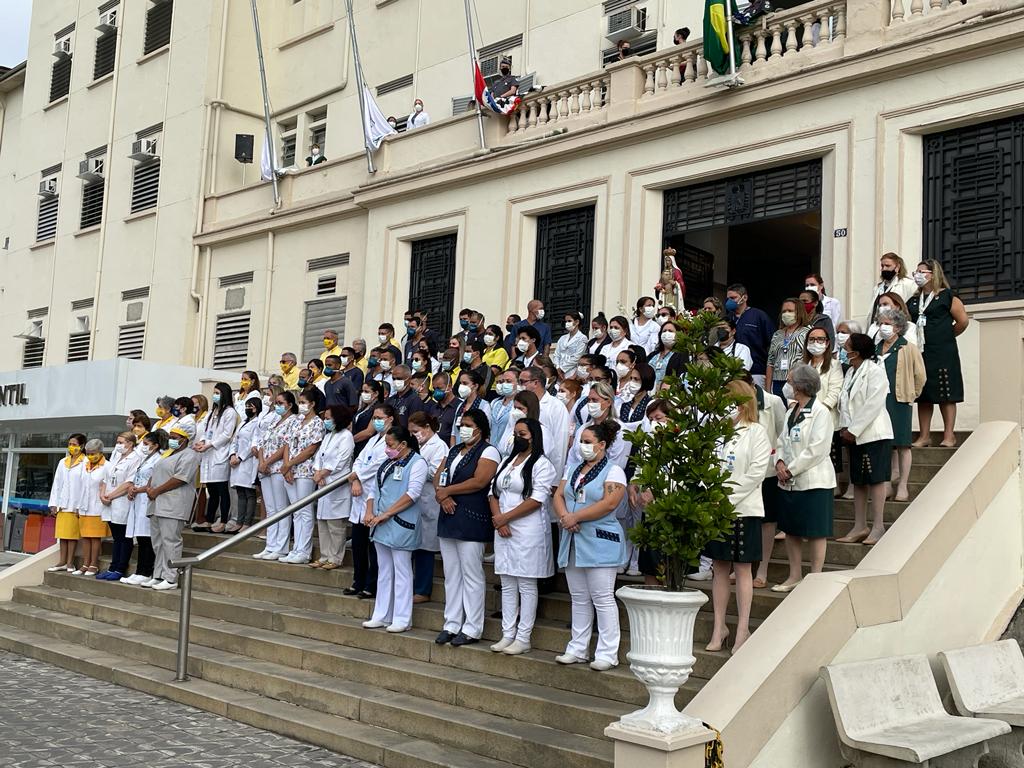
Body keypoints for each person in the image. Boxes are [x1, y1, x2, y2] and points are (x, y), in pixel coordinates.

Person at [553, 420, 627, 670]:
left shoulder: (614, 471)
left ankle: (607, 653)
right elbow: (559, 495)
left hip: (600, 540)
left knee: (602, 597)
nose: (582, 446)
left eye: (588, 442)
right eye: (581, 442)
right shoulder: (573, 468)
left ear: (602, 444)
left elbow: (609, 503)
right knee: (579, 598)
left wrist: (576, 517)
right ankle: (577, 648)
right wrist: (566, 516)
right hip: (573, 539)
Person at [705, 381, 771, 653]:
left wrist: (727, 498)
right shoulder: (717, 432)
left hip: (744, 509)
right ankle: (719, 626)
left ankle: (743, 628)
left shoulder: (756, 432)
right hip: (717, 509)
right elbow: (707, 467)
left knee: (743, 568)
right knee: (719, 567)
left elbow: (756, 473)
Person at [489, 417, 556, 655]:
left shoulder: (542, 464)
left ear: (534, 437)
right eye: (516, 433)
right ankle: (507, 634)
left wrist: (506, 518)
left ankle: (523, 637)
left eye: (523, 434)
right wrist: (499, 519)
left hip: (528, 530)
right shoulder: (507, 461)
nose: (518, 438)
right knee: (507, 583)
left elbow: (537, 499)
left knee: (526, 585)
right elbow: (493, 492)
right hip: (503, 529)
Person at [433, 409, 500, 646]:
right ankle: (451, 623)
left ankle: (472, 627)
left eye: (469, 425)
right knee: (452, 574)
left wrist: (448, 491)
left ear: (480, 428)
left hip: (471, 517)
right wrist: (442, 495)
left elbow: (479, 481)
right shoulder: (454, 450)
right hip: (449, 515)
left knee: (471, 574)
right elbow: (439, 476)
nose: (464, 429)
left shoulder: (488, 451)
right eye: (462, 424)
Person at [772, 364, 836, 592]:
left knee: (816, 531)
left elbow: (817, 449)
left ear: (799, 387)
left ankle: (815, 577)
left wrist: (791, 469)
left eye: (790, 381)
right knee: (791, 529)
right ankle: (794, 575)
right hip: (789, 482)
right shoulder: (791, 411)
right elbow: (781, 441)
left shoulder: (821, 412)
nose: (787, 385)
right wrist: (779, 462)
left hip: (814, 481)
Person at [362, 426, 428, 634]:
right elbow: (374, 490)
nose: (387, 449)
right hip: (380, 522)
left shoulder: (417, 463)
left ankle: (402, 618)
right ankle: (381, 614)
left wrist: (387, 513)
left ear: (403, 444)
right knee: (384, 570)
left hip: (400, 522)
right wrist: (370, 511)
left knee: (402, 571)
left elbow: (413, 494)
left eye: (390, 445)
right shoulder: (387, 462)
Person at [835, 333, 894, 545]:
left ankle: (878, 526)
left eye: (847, 347)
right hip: (853, 436)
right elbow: (845, 403)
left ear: (857, 352)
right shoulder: (851, 372)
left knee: (876, 480)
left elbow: (873, 404)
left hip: (874, 434)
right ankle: (860, 525)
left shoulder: (875, 371)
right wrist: (845, 428)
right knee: (858, 481)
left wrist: (854, 429)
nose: (844, 350)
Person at [907, 259, 969, 448]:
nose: (917, 275)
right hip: (921, 351)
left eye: (922, 271)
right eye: (916, 272)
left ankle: (949, 435)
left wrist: (946, 335)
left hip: (943, 351)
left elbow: (963, 322)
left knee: (946, 392)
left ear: (933, 274)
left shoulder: (947, 296)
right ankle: (924, 436)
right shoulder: (914, 300)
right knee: (923, 394)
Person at [874, 309, 926, 503]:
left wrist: (912, 394)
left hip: (900, 400)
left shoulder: (908, 347)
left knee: (903, 444)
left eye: (887, 323)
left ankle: (903, 484)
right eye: (881, 323)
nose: (883, 327)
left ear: (897, 327)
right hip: (878, 401)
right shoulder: (875, 348)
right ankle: (887, 483)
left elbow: (920, 375)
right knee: (884, 443)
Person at [346, 403, 396, 598]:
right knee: (358, 543)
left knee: (374, 546)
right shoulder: (373, 439)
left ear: (390, 419)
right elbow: (359, 460)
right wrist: (355, 478)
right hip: (359, 492)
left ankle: (371, 584)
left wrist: (357, 476)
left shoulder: (391, 441)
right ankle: (358, 581)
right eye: (374, 418)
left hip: (375, 495)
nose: (376, 421)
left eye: (379, 418)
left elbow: (377, 465)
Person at [144, 423, 201, 590]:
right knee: (158, 542)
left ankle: (171, 578)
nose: (171, 440)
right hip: (156, 503)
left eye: (175, 438)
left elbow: (180, 479)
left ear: (184, 439)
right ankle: (158, 575)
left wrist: (157, 491)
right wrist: (150, 488)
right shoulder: (168, 453)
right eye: (170, 437)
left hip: (173, 504)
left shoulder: (190, 455)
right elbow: (156, 472)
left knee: (170, 541)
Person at [279, 388, 326, 564]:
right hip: (290, 469)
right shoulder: (297, 420)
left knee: (305, 511)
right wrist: (287, 466)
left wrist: (290, 464)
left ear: (312, 404)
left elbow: (311, 449)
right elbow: (287, 444)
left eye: (304, 402)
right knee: (295, 511)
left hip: (305, 470)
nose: (301, 405)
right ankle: (296, 548)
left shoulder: (318, 423)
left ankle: (304, 551)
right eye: (299, 402)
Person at [253, 391, 301, 561]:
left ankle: (281, 547)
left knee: (281, 508)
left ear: (290, 405)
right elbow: (263, 442)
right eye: (276, 403)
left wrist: (268, 462)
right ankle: (270, 545)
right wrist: (261, 462)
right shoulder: (274, 420)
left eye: (281, 403)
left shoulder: (294, 421)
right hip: (265, 469)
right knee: (271, 509)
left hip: (278, 468)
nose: (277, 406)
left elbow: (286, 446)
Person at [750, 378, 788, 590]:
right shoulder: (732, 404)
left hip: (768, 471)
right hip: (743, 472)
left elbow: (783, 434)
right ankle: (743, 566)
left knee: (767, 521)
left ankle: (762, 570)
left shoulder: (773, 402)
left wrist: (780, 460)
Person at [409, 411, 447, 603]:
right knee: (413, 546)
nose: (413, 435)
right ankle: (411, 587)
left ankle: (423, 590)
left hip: (429, 500)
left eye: (416, 431)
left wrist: (414, 469)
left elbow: (435, 472)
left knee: (425, 548)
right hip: (414, 502)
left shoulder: (439, 446)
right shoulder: (418, 446)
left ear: (427, 427)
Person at [311, 405, 355, 570]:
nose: (326, 421)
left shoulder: (346, 436)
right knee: (323, 524)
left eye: (329, 418)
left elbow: (340, 461)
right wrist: (318, 472)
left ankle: (335, 558)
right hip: (323, 483)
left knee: (335, 526)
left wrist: (323, 473)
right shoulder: (329, 436)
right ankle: (324, 556)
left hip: (336, 483)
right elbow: (319, 457)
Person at [121, 430, 164, 585]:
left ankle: (146, 571)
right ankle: (139, 571)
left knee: (147, 538)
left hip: (147, 499)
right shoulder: (146, 459)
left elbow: (154, 482)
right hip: (138, 500)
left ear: (156, 445)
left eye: (146, 444)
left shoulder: (159, 459)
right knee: (140, 537)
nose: (143, 446)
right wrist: (132, 489)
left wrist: (138, 489)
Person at [97, 432, 142, 580]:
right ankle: (112, 567)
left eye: (121, 442)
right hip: (109, 502)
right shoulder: (116, 455)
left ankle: (120, 568)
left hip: (122, 502)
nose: (118, 445)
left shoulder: (135, 458)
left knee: (124, 537)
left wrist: (111, 496)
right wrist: (103, 495)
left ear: (130, 443)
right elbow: (105, 478)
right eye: (117, 442)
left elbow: (128, 483)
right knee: (116, 537)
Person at [194, 383, 238, 533]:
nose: (215, 396)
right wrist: (202, 442)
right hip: (209, 454)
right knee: (212, 491)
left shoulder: (230, 412)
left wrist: (210, 445)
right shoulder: (212, 412)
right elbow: (207, 431)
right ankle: (209, 519)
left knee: (222, 490)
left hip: (220, 453)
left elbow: (226, 434)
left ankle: (224, 521)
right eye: (214, 393)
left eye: (218, 393)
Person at [46, 434, 88, 574]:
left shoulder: (85, 462)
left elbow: (85, 486)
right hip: (62, 504)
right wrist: (54, 503)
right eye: (70, 444)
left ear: (82, 446)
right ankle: (62, 561)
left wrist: (80, 505)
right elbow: (57, 483)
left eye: (74, 444)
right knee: (62, 535)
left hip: (75, 505)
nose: (71, 447)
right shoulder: (63, 461)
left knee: (72, 536)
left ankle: (70, 562)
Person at [726, 283, 775, 387]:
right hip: (732, 372)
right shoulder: (728, 318)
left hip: (756, 371)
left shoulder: (759, 316)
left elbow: (772, 343)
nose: (730, 301)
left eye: (733, 298)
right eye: (728, 298)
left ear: (744, 298)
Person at [74, 439, 110, 577]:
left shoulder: (107, 466)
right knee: (85, 537)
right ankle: (85, 564)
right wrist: (78, 506)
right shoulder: (84, 465)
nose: (90, 456)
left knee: (95, 538)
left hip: (98, 507)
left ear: (100, 452)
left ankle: (93, 564)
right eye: (88, 453)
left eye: (93, 453)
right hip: (84, 506)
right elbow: (80, 487)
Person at [765, 298, 810, 401]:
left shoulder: (807, 333)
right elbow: (770, 362)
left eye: (790, 311)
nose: (786, 314)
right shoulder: (777, 334)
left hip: (798, 382)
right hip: (777, 382)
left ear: (799, 312)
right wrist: (768, 389)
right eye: (784, 311)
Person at [229, 398, 262, 533]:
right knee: (240, 492)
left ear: (257, 408)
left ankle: (247, 523)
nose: (248, 408)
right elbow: (234, 440)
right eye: (247, 406)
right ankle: (239, 522)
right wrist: (232, 455)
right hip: (237, 461)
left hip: (248, 462)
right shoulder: (243, 422)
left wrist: (240, 457)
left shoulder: (257, 423)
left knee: (249, 493)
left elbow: (252, 444)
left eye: (251, 406)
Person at [868, 253, 919, 326]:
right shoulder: (878, 287)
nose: (884, 269)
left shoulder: (908, 284)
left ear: (897, 267)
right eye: (882, 266)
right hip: (878, 325)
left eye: (887, 266)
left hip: (897, 325)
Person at [647, 319, 687, 390]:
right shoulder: (653, 354)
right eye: (664, 331)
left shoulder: (682, 355)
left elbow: (681, 377)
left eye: (670, 331)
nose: (667, 333)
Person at [353, 380, 387, 456]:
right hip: (356, 444)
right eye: (362, 391)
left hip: (365, 445)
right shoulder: (364, 407)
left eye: (366, 391)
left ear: (376, 393)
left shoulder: (378, 409)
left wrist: (351, 440)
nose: (363, 394)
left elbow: (369, 432)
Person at [427, 372, 460, 444]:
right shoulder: (433, 408)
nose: (436, 391)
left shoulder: (459, 407)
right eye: (434, 389)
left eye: (439, 388)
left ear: (449, 386)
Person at [489, 370, 519, 449]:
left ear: (518, 383)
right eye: (503, 381)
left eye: (508, 381)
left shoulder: (519, 405)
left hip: (507, 449)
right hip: (491, 448)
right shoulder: (495, 403)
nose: (504, 384)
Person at [618, 363, 655, 428]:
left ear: (645, 381)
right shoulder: (624, 404)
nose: (632, 382)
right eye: (631, 378)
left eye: (636, 379)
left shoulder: (651, 405)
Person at [554, 312, 588, 379]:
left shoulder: (582, 338)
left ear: (577, 322)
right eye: (566, 321)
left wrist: (562, 369)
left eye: (569, 321)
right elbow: (556, 355)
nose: (567, 323)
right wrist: (557, 368)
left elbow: (577, 357)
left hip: (572, 372)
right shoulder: (562, 338)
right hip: (558, 372)